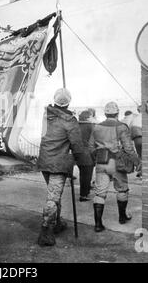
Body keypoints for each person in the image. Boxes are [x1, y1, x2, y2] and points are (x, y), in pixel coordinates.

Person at [36, 88, 92, 246]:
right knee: (53, 197)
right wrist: (80, 156)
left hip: (44, 160)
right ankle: (45, 231)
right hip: (58, 163)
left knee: (55, 194)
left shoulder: (46, 115)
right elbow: (77, 145)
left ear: (54, 100)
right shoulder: (69, 120)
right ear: (69, 102)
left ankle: (57, 223)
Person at [88, 101, 140, 232]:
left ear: (105, 113)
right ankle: (122, 217)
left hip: (101, 162)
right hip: (117, 162)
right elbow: (128, 148)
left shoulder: (97, 127)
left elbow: (90, 147)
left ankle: (98, 224)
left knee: (100, 193)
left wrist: (98, 156)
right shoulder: (121, 127)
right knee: (122, 189)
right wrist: (137, 161)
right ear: (117, 113)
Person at [77, 110, 96, 202]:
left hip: (78, 153)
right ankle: (83, 195)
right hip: (88, 153)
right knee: (87, 175)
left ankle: (85, 192)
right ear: (88, 117)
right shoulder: (91, 126)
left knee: (82, 174)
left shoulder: (76, 126)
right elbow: (94, 141)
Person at [131, 106, 142, 178]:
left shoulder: (135, 118)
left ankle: (140, 171)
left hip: (136, 139)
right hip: (142, 137)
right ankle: (142, 172)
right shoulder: (145, 117)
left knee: (140, 156)